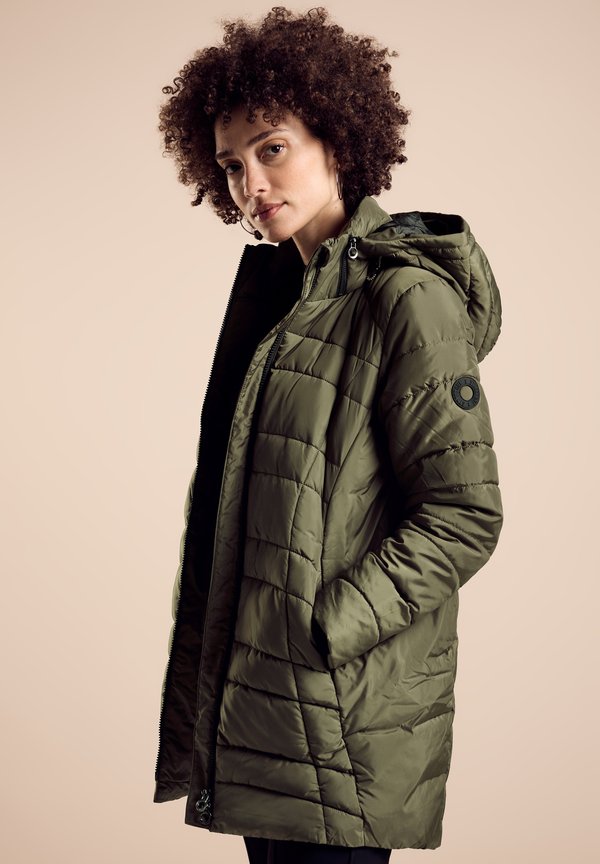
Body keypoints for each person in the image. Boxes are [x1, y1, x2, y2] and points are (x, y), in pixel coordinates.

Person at [152, 6, 504, 863]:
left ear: (338, 140)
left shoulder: (405, 298)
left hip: (341, 718)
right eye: (231, 165)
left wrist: (320, 628)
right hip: (267, 711)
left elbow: (464, 515)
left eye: (272, 149)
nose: (250, 183)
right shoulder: (283, 305)